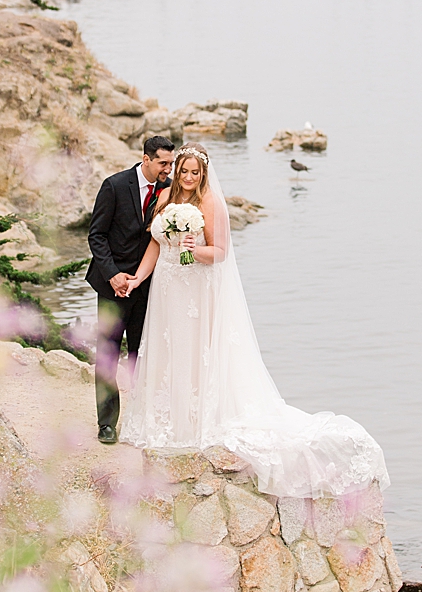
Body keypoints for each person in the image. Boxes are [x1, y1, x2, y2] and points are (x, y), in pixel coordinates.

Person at [116, 145, 387, 500]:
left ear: (203, 174)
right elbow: (154, 245)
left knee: (195, 350)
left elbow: (221, 252)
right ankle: (164, 421)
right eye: (185, 171)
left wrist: (192, 249)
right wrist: (137, 278)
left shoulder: (210, 203)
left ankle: (194, 421)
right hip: (166, 286)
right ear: (177, 169)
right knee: (168, 349)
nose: (189, 178)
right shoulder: (165, 197)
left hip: (195, 287)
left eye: (195, 173)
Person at [86, 134, 174, 445]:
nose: (168, 169)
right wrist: (112, 275)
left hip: (149, 286)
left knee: (143, 353)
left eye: (170, 163)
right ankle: (107, 423)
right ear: (146, 159)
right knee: (108, 353)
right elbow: (96, 236)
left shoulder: (170, 189)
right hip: (112, 287)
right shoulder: (114, 185)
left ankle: (141, 417)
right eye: (163, 163)